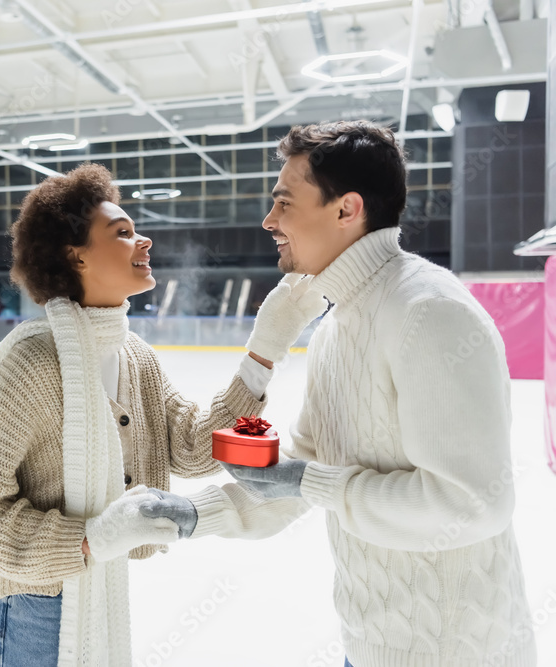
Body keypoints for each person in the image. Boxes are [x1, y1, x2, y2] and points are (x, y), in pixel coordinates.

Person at [141, 121, 537, 666]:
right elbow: (301, 480)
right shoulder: (332, 330)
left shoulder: (429, 313)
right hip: (367, 644)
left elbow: (472, 505)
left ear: (346, 209)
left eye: (284, 203)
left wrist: (310, 480)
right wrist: (188, 513)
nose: (269, 221)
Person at [0, 162, 321, 666]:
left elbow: (188, 447)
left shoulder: (135, 355)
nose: (144, 242)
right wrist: (89, 540)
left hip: (96, 587)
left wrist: (264, 349)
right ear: (74, 255)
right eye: (122, 233)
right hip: (29, 604)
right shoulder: (31, 362)